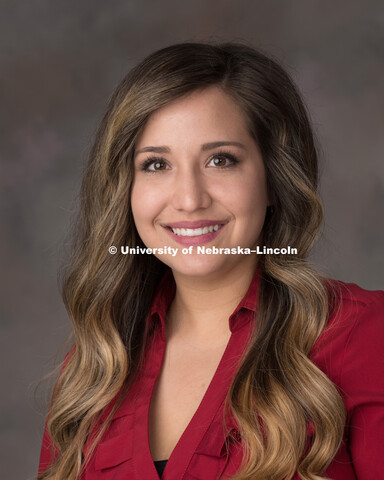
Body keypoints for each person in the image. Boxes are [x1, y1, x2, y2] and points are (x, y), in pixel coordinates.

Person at [37, 42, 384, 480]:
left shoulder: (363, 333)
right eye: (156, 164)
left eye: (221, 160)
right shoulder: (95, 365)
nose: (189, 199)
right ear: (125, 189)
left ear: (274, 179)